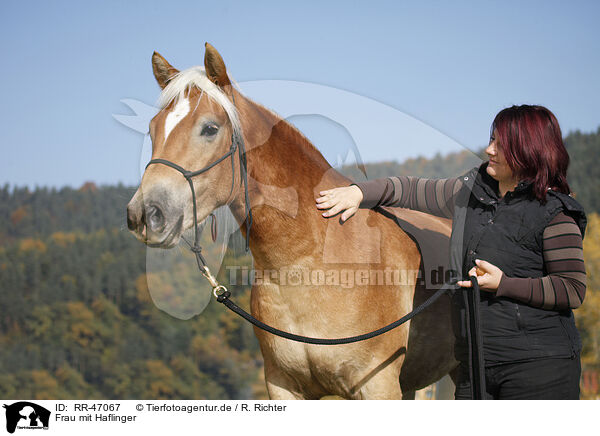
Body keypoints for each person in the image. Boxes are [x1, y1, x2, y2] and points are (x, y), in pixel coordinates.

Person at [316, 105, 587, 400]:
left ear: (527, 149)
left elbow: (572, 289)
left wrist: (504, 284)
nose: (488, 150)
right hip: (474, 367)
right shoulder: (468, 194)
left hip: (538, 369)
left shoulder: (556, 212)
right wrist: (358, 192)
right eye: (491, 140)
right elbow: (406, 189)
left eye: (499, 143)